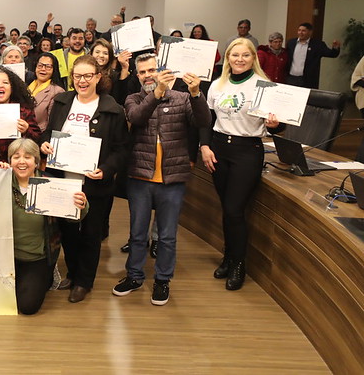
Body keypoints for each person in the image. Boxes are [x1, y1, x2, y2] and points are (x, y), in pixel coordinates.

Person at [112, 54, 210, 305]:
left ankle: (162, 280)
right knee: (137, 233)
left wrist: (196, 94)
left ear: (163, 71)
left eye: (152, 70)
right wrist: (156, 93)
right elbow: (137, 118)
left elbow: (203, 121)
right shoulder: (133, 99)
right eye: (143, 72)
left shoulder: (182, 98)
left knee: (167, 236)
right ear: (137, 75)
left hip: (172, 178)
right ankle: (134, 276)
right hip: (140, 176)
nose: (148, 75)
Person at [40, 55, 129, 303]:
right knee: (68, 232)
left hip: (94, 183)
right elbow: (49, 132)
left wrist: (106, 170)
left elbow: (122, 149)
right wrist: (45, 143)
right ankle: (73, 272)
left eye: (88, 75)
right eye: (78, 76)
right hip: (63, 181)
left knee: (90, 234)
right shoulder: (62, 102)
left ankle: (84, 281)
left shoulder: (112, 109)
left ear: (98, 77)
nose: (82, 81)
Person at [199, 38, 282, 291]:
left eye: (245, 55)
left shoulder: (263, 86)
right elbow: (207, 119)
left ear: (253, 58)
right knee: (227, 208)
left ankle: (238, 264)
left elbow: (277, 125)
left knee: (235, 210)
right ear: (228, 57)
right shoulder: (217, 84)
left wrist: (275, 125)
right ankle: (228, 257)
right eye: (235, 55)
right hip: (219, 149)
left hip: (247, 151)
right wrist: (204, 146)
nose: (239, 59)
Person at [0, 139, 87, 314]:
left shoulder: (51, 184)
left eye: (28, 157)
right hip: (6, 256)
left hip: (37, 257)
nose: (22, 161)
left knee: (27, 306)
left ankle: (47, 275)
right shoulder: (1, 181)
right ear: (9, 161)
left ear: (36, 161)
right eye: (16, 157)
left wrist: (81, 205)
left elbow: (73, 220)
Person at [0, 67, 41, 171]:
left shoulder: (24, 111)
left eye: (5, 82)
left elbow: (37, 140)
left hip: (16, 168)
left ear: (12, 87)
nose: (0, 85)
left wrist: (26, 130)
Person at [286, 22, 340, 88]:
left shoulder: (317, 45)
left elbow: (331, 54)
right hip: (291, 78)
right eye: (299, 30)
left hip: (308, 80)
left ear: (310, 32)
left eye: (303, 31)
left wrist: (335, 48)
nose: (300, 33)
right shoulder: (291, 43)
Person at [28, 52, 65, 132]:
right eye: (40, 65)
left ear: (54, 70)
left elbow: (53, 123)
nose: (43, 69)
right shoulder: (27, 86)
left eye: (48, 67)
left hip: (40, 134)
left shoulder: (58, 92)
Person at [92, 38, 131, 105]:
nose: (101, 55)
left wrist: (125, 67)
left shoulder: (114, 76)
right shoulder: (84, 71)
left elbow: (120, 98)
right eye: (97, 52)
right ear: (91, 53)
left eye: (105, 53)